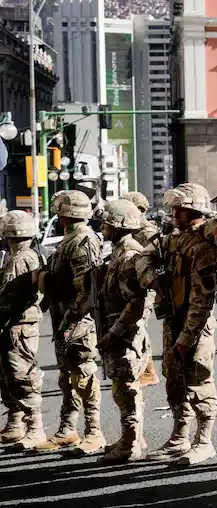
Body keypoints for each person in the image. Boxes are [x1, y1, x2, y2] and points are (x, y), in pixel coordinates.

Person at [140, 183, 217, 466]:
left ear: (195, 210)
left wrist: (188, 337)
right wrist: (152, 275)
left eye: (181, 209)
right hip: (173, 317)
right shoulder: (173, 239)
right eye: (174, 208)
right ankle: (180, 437)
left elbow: (203, 299)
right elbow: (144, 257)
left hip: (195, 323)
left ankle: (204, 441)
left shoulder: (203, 247)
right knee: (173, 380)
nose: (174, 213)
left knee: (199, 380)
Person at [36, 190, 105, 454]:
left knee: (84, 376)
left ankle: (94, 432)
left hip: (78, 319)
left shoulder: (82, 241)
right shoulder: (70, 239)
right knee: (67, 376)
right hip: (65, 316)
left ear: (64, 214)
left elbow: (87, 289)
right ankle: (67, 429)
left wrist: (71, 317)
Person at [94, 199, 151, 463]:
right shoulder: (119, 250)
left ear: (117, 225)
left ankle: (130, 445)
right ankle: (132, 438)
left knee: (126, 388)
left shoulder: (128, 254)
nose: (102, 226)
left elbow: (136, 302)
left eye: (106, 222)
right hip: (120, 330)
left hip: (125, 333)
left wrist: (115, 333)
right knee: (122, 387)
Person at [0, 210, 45, 450]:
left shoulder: (19, 259)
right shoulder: (28, 254)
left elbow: (7, 297)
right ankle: (16, 423)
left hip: (17, 324)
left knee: (21, 376)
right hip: (19, 324)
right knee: (9, 375)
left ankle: (35, 428)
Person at [120, 190, 161, 388]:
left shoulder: (147, 233)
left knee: (138, 326)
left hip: (145, 286)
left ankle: (147, 370)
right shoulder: (134, 230)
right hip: (134, 284)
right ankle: (146, 369)